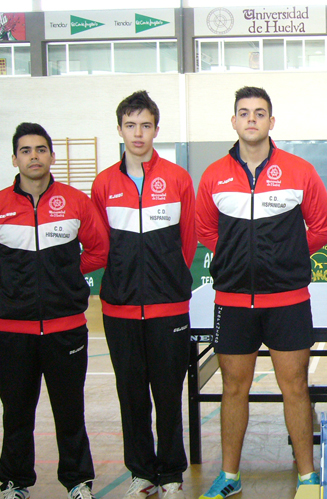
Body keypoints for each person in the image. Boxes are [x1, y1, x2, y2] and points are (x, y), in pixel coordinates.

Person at [196, 86, 327, 498]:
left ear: (271, 122)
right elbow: (204, 230)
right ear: (234, 121)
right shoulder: (213, 175)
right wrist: (238, 257)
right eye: (244, 112)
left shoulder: (300, 170)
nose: (251, 119)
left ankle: (308, 479)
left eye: (260, 113)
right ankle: (230, 477)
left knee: (295, 387)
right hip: (233, 302)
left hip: (288, 300)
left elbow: (323, 226)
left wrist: (287, 256)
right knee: (233, 388)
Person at [0, 123, 108, 499]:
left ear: (52, 156)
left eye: (41, 149)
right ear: (15, 158)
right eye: (26, 150)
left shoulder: (76, 202)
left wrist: (64, 275)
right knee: (16, 414)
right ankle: (15, 483)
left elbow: (99, 249)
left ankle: (78, 482)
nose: (34, 156)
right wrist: (7, 279)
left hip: (66, 330)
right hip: (12, 333)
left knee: (69, 413)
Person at [90, 91, 196, 499]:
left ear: (156, 129)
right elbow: (100, 246)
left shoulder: (177, 178)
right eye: (130, 125)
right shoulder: (104, 183)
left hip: (168, 307)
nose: (138, 133)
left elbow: (187, 243)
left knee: (168, 393)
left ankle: (170, 472)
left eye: (145, 125)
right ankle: (141, 471)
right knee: (131, 393)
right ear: (120, 129)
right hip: (119, 309)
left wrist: (168, 280)